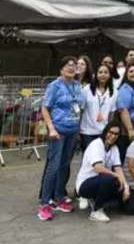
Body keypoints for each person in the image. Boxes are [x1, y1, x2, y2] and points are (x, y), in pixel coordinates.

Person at [38, 56, 86, 221]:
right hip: (58, 131)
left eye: (73, 65)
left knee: (64, 166)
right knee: (53, 166)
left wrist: (78, 129)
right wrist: (51, 128)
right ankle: (44, 203)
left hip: (72, 131)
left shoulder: (77, 85)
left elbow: (80, 108)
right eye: (67, 65)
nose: (71, 68)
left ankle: (59, 198)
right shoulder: (55, 86)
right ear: (60, 69)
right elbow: (45, 108)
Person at [75, 121, 129, 222]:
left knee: (117, 183)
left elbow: (118, 168)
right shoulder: (96, 144)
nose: (113, 136)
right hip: (84, 184)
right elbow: (98, 168)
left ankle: (95, 199)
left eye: (116, 134)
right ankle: (96, 211)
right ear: (105, 132)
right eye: (111, 132)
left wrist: (126, 186)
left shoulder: (114, 148)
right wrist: (116, 176)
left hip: (98, 181)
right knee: (109, 179)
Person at [80, 64, 117, 152]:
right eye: (100, 72)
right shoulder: (87, 89)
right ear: (96, 74)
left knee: (100, 156)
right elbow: (81, 110)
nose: (103, 75)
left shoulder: (114, 92)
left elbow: (112, 114)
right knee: (88, 157)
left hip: (103, 131)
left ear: (109, 75)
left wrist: (109, 130)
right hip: (87, 131)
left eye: (106, 72)